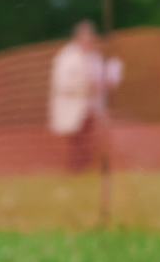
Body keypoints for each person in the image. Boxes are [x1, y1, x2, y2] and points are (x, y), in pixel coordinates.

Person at [48, 21, 124, 217]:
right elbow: (62, 83)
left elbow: (104, 81)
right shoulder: (66, 57)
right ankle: (74, 173)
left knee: (90, 142)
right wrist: (85, 85)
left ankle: (85, 172)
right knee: (76, 142)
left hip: (92, 109)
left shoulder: (95, 58)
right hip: (73, 108)